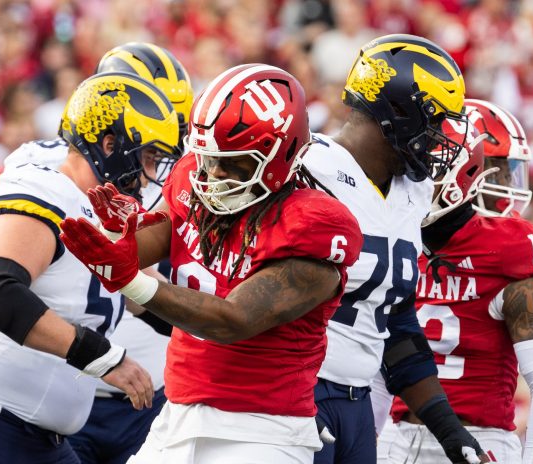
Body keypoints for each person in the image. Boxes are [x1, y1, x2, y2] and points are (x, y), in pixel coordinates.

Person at [60, 63, 364, 464]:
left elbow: (233, 320)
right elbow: (168, 229)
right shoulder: (195, 177)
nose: (214, 174)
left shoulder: (315, 224)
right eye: (208, 158)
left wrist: (131, 280)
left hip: (263, 430)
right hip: (178, 414)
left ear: (282, 154)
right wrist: (121, 238)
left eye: (234, 162)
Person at [0, 71, 180, 464]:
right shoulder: (47, 188)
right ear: (110, 145)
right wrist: (105, 357)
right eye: (147, 156)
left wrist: (231, 332)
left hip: (44, 440)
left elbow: (156, 301)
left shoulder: (101, 215)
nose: (152, 173)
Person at [302, 34, 489, 463]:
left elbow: (397, 324)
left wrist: (449, 430)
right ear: (399, 113)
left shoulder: (414, 193)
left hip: (358, 407)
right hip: (298, 393)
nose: (442, 136)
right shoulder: (311, 170)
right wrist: (279, 398)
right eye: (436, 121)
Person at [379, 101, 533, 463]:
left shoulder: (509, 245)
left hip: (480, 438)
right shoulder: (397, 232)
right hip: (396, 435)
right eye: (500, 172)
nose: (508, 185)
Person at [67, 42, 195, 464]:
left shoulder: (185, 176)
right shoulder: (56, 170)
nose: (154, 159)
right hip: (75, 384)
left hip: (153, 387)